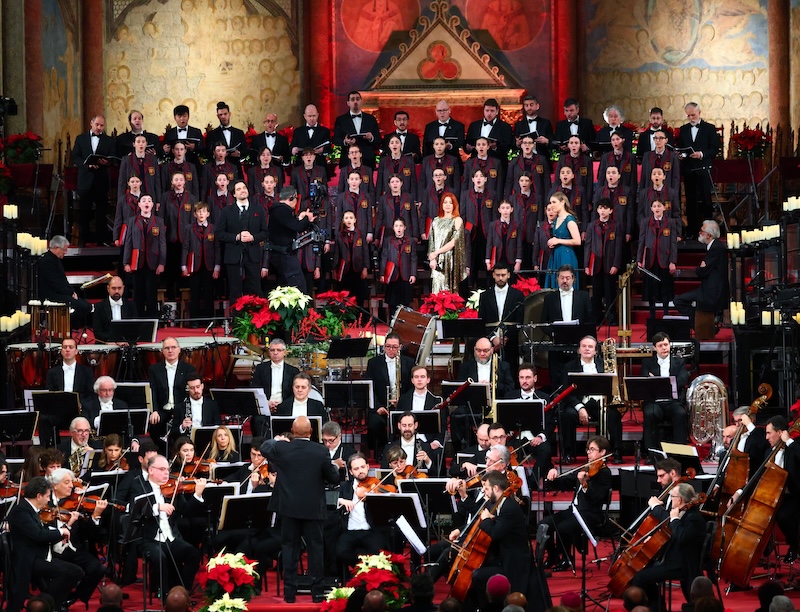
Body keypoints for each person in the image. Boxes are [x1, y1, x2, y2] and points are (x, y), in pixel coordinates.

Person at [261, 416, 339, 602]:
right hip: (313, 509)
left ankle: (289, 593)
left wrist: (278, 440)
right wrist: (335, 468)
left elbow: (264, 447)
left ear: (292, 431)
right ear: (311, 432)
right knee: (315, 549)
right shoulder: (321, 451)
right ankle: (317, 592)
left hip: (289, 509)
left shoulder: (282, 448)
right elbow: (333, 478)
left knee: (289, 548)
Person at [6, 477, 84, 612]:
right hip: (28, 559)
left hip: (38, 554)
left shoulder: (30, 509)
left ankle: (49, 604)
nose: (49, 500)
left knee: (75, 571)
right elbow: (38, 535)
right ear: (38, 496)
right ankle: (48, 604)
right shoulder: (21, 511)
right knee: (71, 572)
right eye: (47, 496)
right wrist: (61, 532)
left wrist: (60, 532)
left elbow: (40, 532)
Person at [134, 454, 205, 599]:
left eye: (167, 469)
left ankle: (182, 591)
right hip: (149, 539)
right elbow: (134, 509)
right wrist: (157, 507)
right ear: (151, 470)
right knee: (160, 556)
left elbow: (186, 511)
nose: (166, 473)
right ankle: (165, 595)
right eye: (162, 469)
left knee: (193, 554)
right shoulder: (139, 485)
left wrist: (197, 494)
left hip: (171, 537)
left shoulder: (173, 487)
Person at [630, 483, 706, 612]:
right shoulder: (683, 513)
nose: (670, 499)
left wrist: (674, 519)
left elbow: (681, 536)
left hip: (681, 564)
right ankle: (658, 607)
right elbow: (672, 531)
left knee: (640, 578)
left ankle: (654, 608)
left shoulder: (694, 517)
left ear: (679, 500)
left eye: (672, 496)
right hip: (673, 559)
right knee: (642, 571)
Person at [542, 435, 613, 570]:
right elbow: (567, 480)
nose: (588, 452)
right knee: (545, 523)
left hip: (591, 513)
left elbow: (597, 498)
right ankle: (553, 556)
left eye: (592, 449)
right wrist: (553, 478)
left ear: (603, 452)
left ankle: (567, 559)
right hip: (574, 510)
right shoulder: (586, 468)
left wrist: (585, 484)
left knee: (563, 528)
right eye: (588, 449)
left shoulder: (604, 473)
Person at [557, 336, 623, 464]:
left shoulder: (604, 364)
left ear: (595, 351)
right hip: (578, 404)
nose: (587, 349)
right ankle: (568, 453)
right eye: (584, 346)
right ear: (579, 350)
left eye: (590, 347)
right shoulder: (569, 366)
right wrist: (580, 408)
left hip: (600, 403)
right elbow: (566, 392)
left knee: (614, 414)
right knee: (568, 415)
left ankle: (616, 452)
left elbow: (612, 387)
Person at [47, 468, 107, 608]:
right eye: (67, 482)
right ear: (55, 485)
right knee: (71, 571)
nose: (71, 486)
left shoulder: (77, 503)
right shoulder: (46, 503)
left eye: (72, 482)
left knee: (98, 568)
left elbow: (90, 534)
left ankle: (73, 597)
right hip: (52, 549)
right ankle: (56, 601)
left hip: (73, 547)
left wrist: (95, 516)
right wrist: (68, 524)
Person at [455, 338, 515, 451]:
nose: (482, 354)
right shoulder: (465, 367)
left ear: (492, 350)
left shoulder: (503, 366)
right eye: (478, 350)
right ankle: (461, 450)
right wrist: (475, 387)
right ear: (474, 350)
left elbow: (510, 389)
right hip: (474, 405)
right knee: (456, 416)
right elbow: (460, 390)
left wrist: (494, 385)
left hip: (495, 405)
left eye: (485, 351)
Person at [336, 452, 390, 569]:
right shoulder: (344, 486)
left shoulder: (376, 485)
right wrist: (341, 500)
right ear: (351, 472)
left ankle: (368, 573)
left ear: (368, 467)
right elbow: (329, 498)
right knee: (340, 551)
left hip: (371, 530)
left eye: (362, 467)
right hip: (350, 531)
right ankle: (360, 569)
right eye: (356, 469)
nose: (360, 471)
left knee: (378, 551)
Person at [216, 180, 268, 301]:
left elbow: (265, 232)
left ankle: (256, 313)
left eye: (244, 188)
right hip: (233, 256)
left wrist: (253, 237)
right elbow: (219, 234)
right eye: (238, 189)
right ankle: (235, 313)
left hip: (253, 256)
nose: (242, 190)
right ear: (234, 194)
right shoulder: (226, 211)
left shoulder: (258, 209)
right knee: (235, 291)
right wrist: (237, 237)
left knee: (255, 290)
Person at [364, 332, 414, 458]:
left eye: (394, 347)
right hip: (381, 405)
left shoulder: (409, 362)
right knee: (375, 423)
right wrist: (377, 406)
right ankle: (381, 452)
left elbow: (411, 387)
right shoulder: (373, 363)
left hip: (402, 405)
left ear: (400, 347)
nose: (391, 350)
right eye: (388, 346)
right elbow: (369, 388)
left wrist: (402, 401)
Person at [640, 333, 689, 456]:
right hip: (655, 401)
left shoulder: (679, 362)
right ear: (654, 347)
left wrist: (659, 381)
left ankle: (680, 453)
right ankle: (651, 452)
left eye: (666, 344)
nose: (664, 348)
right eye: (660, 345)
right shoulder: (647, 362)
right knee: (650, 413)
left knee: (680, 413)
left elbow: (682, 379)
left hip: (673, 401)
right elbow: (646, 381)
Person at [71, 114, 116, 246]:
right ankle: (82, 240)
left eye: (101, 125)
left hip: (101, 180)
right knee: (84, 211)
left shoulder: (109, 140)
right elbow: (75, 156)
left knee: (102, 212)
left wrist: (106, 162)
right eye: (97, 124)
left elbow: (113, 158)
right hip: (85, 180)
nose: (99, 128)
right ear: (91, 123)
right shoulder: (81, 139)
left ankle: (102, 240)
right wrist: (87, 165)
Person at [147, 338, 198, 449]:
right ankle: (162, 450)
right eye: (167, 348)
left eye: (173, 347)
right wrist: (154, 411)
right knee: (153, 424)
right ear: (162, 351)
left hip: (181, 409)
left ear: (179, 350)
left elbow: (190, 391)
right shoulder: (154, 369)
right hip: (162, 410)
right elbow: (153, 391)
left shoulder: (188, 369)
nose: (170, 350)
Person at [505, 363, 553, 481]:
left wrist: (540, 437)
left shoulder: (545, 398)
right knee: (508, 453)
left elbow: (550, 422)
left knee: (546, 450)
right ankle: (517, 484)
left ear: (535, 378)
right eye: (521, 377)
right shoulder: (509, 396)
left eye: (528, 377)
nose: (524, 381)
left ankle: (532, 483)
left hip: (535, 438)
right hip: (515, 438)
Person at [677, 103, 720, 232]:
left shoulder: (709, 128)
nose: (691, 118)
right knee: (690, 201)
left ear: (699, 113)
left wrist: (701, 154)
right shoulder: (683, 129)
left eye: (693, 115)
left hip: (704, 169)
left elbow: (714, 149)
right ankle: (692, 231)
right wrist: (682, 155)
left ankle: (708, 231)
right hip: (689, 170)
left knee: (706, 200)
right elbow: (681, 148)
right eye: (688, 116)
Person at [674, 220, 729, 318]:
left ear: (708, 235)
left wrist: (700, 268)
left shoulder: (716, 248)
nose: (699, 233)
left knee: (679, 301)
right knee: (680, 300)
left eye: (702, 231)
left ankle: (698, 320)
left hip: (711, 292)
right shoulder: (715, 246)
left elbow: (702, 272)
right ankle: (699, 320)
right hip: (707, 289)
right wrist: (701, 267)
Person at [122, 195, 166, 317]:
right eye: (144, 200)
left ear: (152, 205)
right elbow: (128, 243)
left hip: (153, 263)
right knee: (138, 294)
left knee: (151, 293)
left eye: (149, 201)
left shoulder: (159, 221)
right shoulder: (132, 221)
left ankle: (152, 320)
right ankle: (138, 320)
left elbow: (162, 243)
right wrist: (126, 262)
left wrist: (162, 263)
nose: (147, 203)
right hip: (137, 262)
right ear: (139, 204)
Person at [268, 186, 316, 292]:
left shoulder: (280, 210)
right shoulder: (282, 210)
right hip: (284, 255)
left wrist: (302, 219)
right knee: (299, 285)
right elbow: (296, 227)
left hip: (281, 254)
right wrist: (307, 217)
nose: (296, 202)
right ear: (291, 198)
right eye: (296, 199)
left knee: (285, 285)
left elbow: (292, 225)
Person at [37, 236, 93, 327]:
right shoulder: (47, 261)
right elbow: (55, 283)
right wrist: (70, 292)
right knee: (84, 307)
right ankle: (68, 326)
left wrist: (72, 291)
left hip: (59, 292)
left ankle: (70, 326)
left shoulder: (55, 260)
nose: (65, 252)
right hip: (51, 295)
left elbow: (63, 281)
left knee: (86, 305)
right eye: (64, 249)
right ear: (56, 248)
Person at [478, 263, 524, 372]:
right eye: (498, 275)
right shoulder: (485, 296)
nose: (500, 278)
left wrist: (506, 338)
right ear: (493, 275)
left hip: (511, 342)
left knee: (511, 371)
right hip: (490, 343)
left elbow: (520, 320)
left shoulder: (518, 295)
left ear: (508, 275)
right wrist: (493, 338)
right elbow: (482, 320)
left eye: (503, 275)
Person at [637, 199, 678, 319]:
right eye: (654, 206)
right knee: (651, 288)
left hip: (665, 259)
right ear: (651, 209)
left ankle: (666, 313)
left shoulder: (670, 222)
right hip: (650, 259)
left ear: (664, 208)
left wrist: (673, 261)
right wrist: (639, 259)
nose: (657, 208)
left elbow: (673, 243)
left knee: (665, 287)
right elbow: (641, 241)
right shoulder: (645, 222)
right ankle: (652, 314)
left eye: (659, 206)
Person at [180, 201, 220, 324]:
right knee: (195, 293)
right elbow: (185, 247)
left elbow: (217, 248)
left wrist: (217, 267)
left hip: (209, 266)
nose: (201, 214)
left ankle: (209, 321)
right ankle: (194, 321)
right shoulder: (189, 228)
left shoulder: (213, 228)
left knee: (209, 293)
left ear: (208, 214)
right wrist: (184, 266)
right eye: (199, 211)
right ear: (195, 214)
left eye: (203, 211)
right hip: (194, 265)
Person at [250, 338, 300, 436]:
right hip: (265, 407)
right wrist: (266, 403)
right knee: (258, 420)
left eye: (278, 350)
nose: (275, 353)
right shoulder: (260, 368)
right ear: (269, 352)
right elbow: (255, 389)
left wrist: (281, 405)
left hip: (285, 407)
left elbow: (295, 393)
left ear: (284, 352)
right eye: (272, 350)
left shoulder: (293, 371)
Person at [584, 199, 623, 324]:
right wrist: (586, 265)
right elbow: (588, 246)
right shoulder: (592, 225)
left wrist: (616, 264)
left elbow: (618, 247)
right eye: (600, 208)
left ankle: (611, 318)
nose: (603, 211)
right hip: (595, 263)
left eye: (605, 208)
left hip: (609, 263)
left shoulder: (616, 226)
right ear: (597, 210)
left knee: (610, 292)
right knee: (596, 293)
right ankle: (597, 318)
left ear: (611, 211)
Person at [396, 365, 445, 451]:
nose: (419, 380)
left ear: (428, 380)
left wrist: (436, 442)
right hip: (406, 440)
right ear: (412, 380)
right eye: (416, 377)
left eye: (422, 377)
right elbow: (398, 422)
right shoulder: (403, 399)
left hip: (429, 442)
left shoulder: (437, 401)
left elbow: (443, 426)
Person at [428, 192, 468, 293]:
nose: (447, 205)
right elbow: (432, 242)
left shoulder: (457, 220)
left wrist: (436, 253)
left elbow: (454, 242)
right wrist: (432, 258)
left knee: (448, 291)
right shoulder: (436, 221)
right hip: (436, 261)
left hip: (450, 259)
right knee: (436, 291)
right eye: (445, 202)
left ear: (454, 205)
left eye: (450, 202)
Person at [380, 217, 417, 321]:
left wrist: (413, 274)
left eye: (401, 226)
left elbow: (413, 258)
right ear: (393, 228)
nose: (399, 228)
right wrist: (382, 274)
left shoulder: (410, 241)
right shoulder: (388, 241)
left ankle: (405, 324)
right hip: (392, 275)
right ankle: (393, 323)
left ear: (405, 227)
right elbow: (384, 257)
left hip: (405, 275)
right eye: (396, 226)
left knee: (406, 302)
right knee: (392, 302)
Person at [333, 91, 381, 168]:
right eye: (352, 99)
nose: (355, 102)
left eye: (357, 99)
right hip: (347, 160)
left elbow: (378, 139)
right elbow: (335, 139)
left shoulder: (371, 119)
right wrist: (345, 141)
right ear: (348, 103)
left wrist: (371, 138)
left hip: (367, 159)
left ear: (361, 101)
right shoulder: (341, 120)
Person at [543, 193, 581, 289]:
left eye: (554, 202)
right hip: (556, 255)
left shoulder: (569, 219)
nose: (551, 205)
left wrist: (558, 241)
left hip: (566, 256)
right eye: (550, 202)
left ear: (562, 202)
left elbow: (577, 241)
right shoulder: (557, 219)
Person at [464, 98, 513, 165]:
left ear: (497, 111)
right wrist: (468, 148)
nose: (489, 113)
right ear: (484, 110)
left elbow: (507, 146)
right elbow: (467, 144)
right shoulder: (474, 125)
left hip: (497, 164)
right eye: (487, 110)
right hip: (476, 163)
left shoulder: (505, 127)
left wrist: (495, 147)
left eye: (492, 111)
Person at [92, 275, 138, 341]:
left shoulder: (131, 306)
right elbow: (98, 332)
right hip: (106, 343)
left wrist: (126, 341)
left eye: (119, 288)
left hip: (127, 343)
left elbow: (134, 328)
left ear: (123, 288)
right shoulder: (99, 307)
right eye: (113, 288)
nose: (117, 291)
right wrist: (113, 340)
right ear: (108, 288)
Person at [116, 133, 158, 199]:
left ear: (146, 144)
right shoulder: (126, 160)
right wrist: (120, 200)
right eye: (138, 142)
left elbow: (157, 181)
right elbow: (122, 182)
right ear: (134, 144)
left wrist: (158, 200)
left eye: (143, 142)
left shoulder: (153, 159)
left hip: (149, 196)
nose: (141, 144)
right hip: (131, 197)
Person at [555, 135, 594, 206]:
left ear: (580, 145)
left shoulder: (587, 160)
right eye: (571, 143)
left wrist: (588, 201)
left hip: (581, 195)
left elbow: (589, 182)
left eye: (576, 143)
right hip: (564, 194)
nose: (574, 145)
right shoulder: (562, 159)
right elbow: (557, 179)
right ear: (568, 145)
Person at [484, 201, 521, 273]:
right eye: (503, 208)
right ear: (499, 210)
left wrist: (518, 262)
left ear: (512, 209)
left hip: (511, 258)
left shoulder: (516, 225)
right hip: (497, 258)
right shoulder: (493, 225)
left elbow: (519, 244)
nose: (505, 210)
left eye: (507, 208)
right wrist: (488, 261)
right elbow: (489, 244)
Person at [206, 101, 247, 166]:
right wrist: (219, 154)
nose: (223, 117)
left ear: (229, 114)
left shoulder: (239, 133)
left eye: (225, 114)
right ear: (218, 116)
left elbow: (245, 151)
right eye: (221, 115)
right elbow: (208, 153)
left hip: (236, 167)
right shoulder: (212, 134)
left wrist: (239, 153)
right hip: (218, 168)